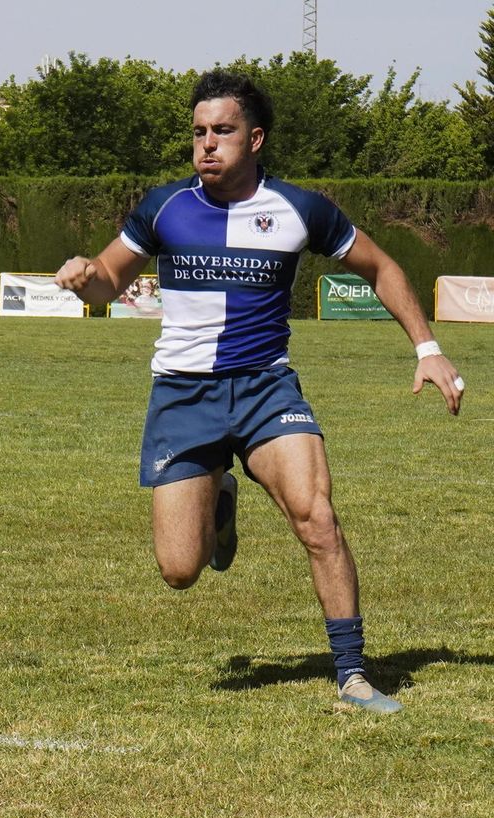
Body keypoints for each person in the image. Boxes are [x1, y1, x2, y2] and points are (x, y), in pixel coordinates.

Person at [54, 71, 464, 714]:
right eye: (198, 133)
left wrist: (428, 348)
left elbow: (382, 267)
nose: (206, 145)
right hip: (184, 397)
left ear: (256, 137)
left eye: (222, 131)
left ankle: (353, 674)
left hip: (266, 389)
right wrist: (86, 278)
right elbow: (110, 277)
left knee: (317, 517)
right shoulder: (164, 206)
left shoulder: (301, 210)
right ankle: (220, 495)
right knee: (179, 570)